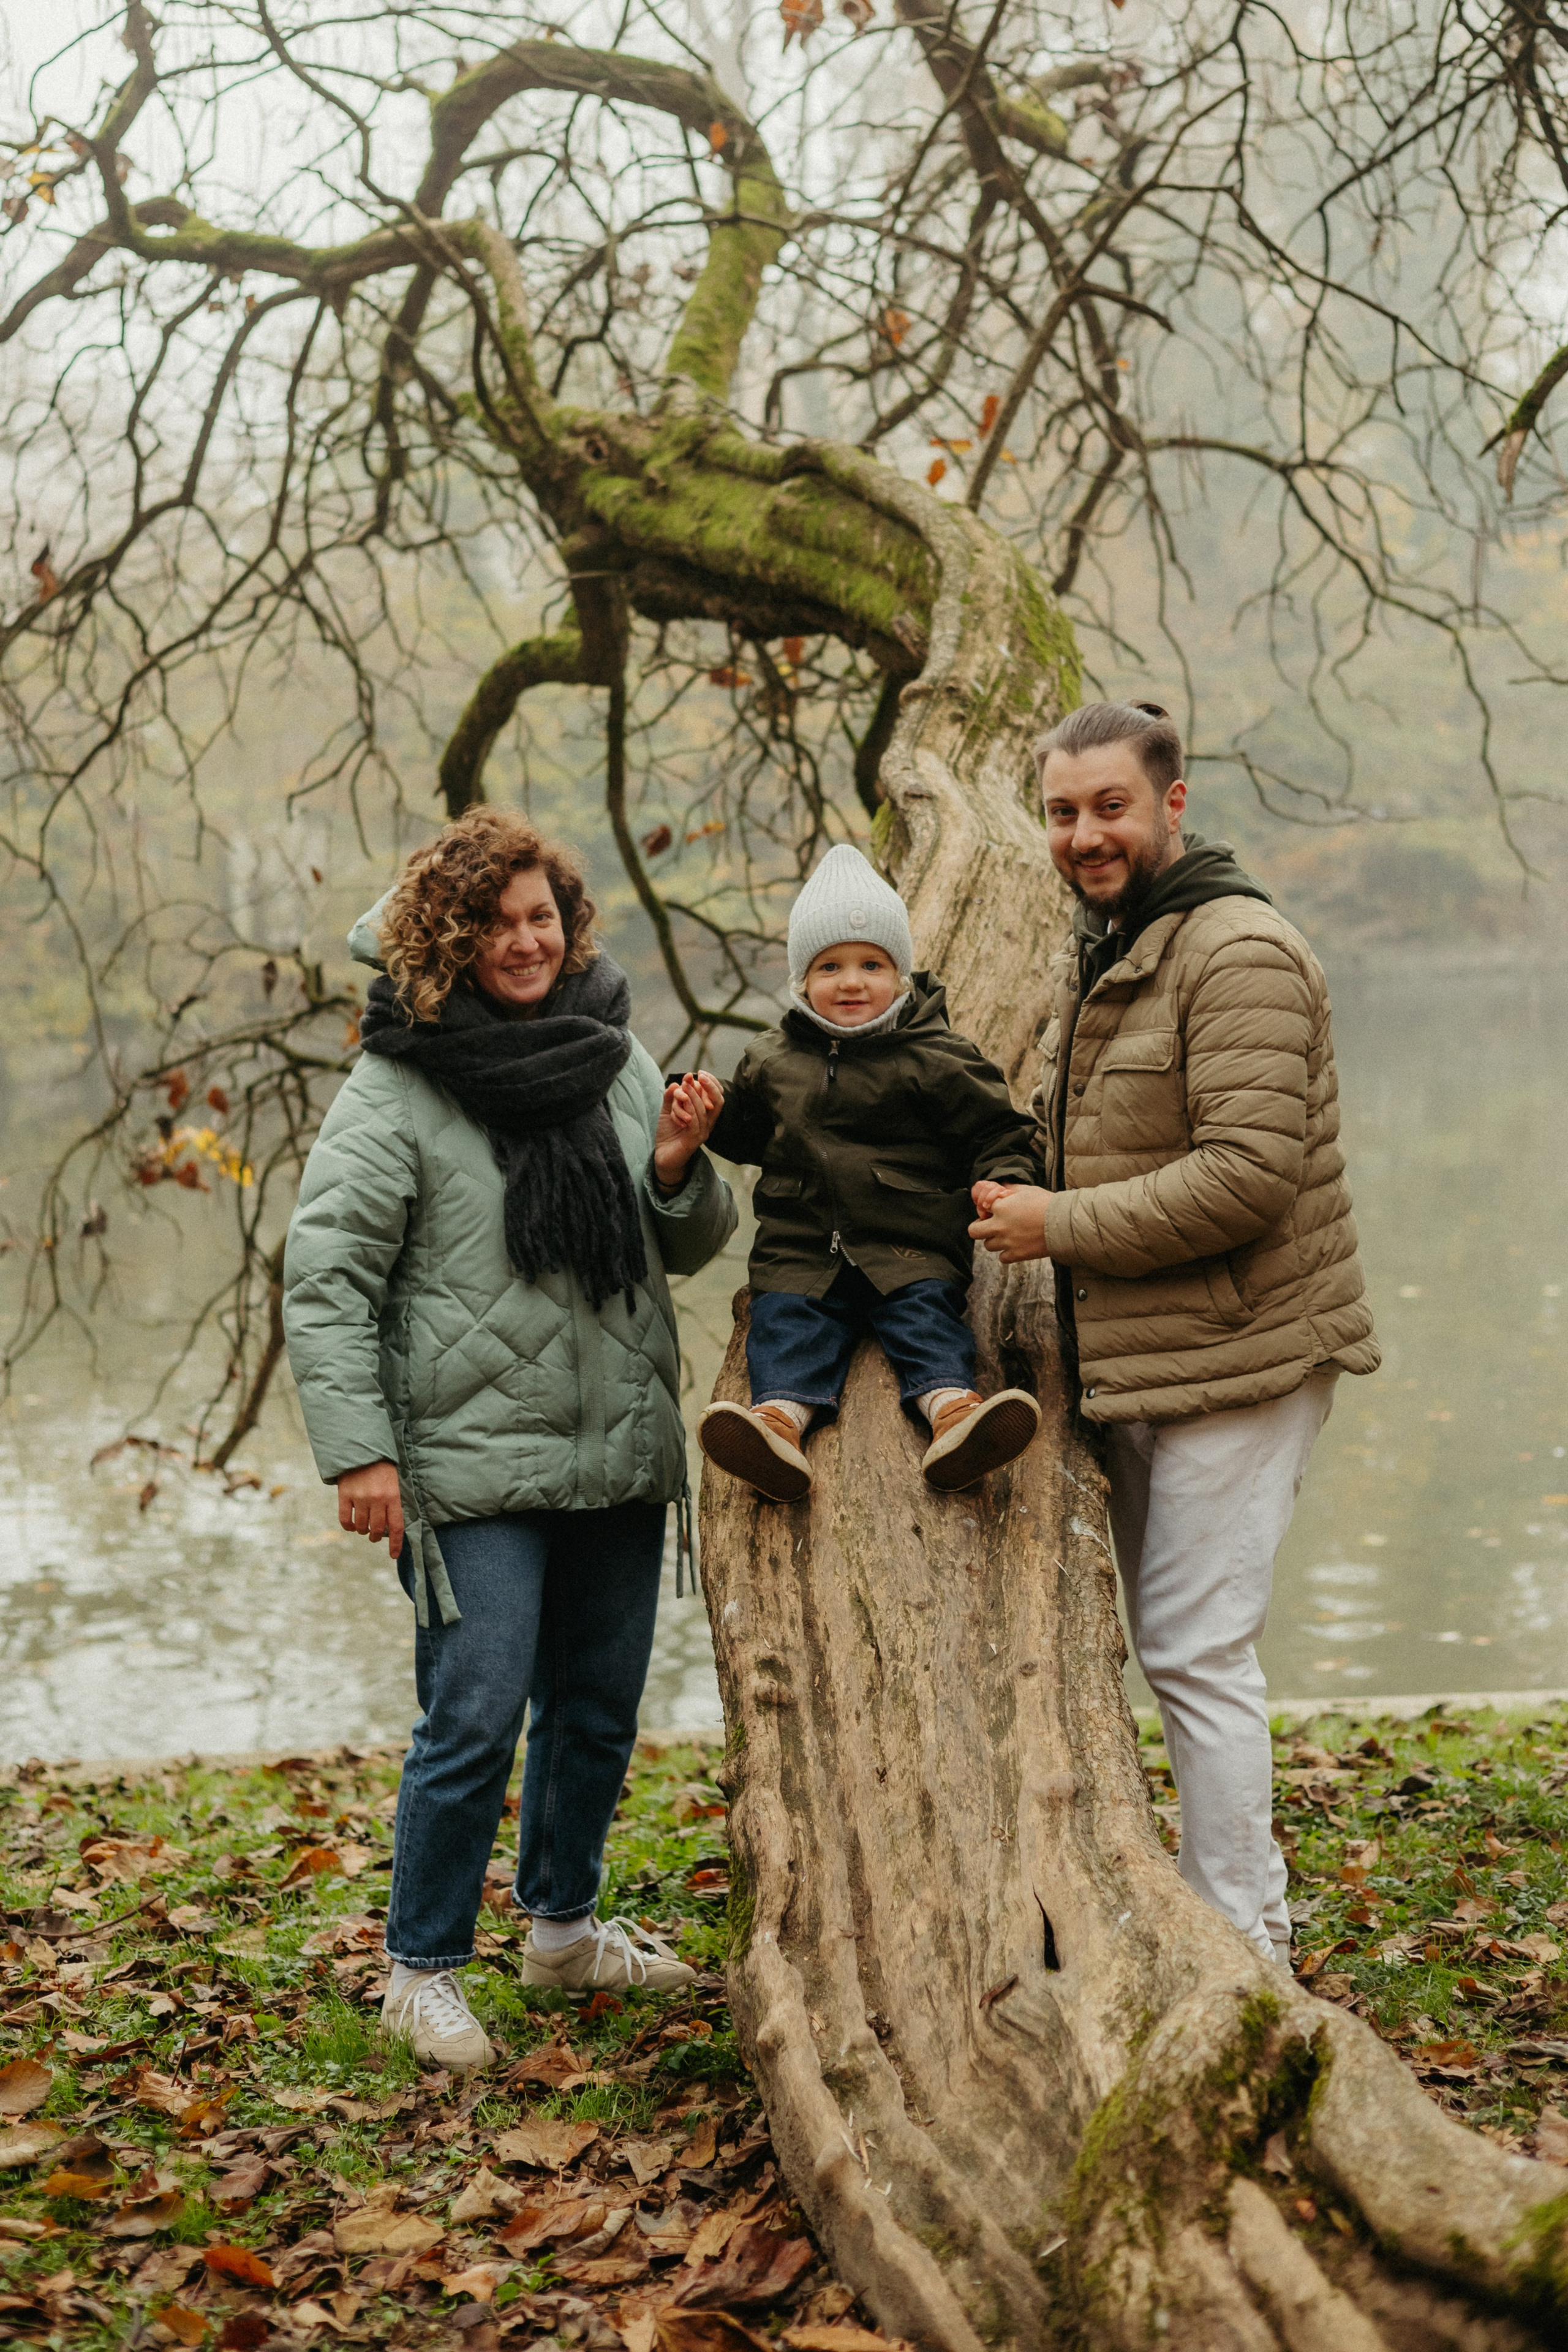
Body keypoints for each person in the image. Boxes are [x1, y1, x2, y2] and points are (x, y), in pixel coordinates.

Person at [282, 809, 736, 2070]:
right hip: (470, 1463)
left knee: (594, 1709)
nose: (526, 940)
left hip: (614, 1447)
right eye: (496, 922)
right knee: (473, 1717)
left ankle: (561, 1927)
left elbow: (686, 1244)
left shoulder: (614, 1052)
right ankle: (419, 1968)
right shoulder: (398, 1083)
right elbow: (324, 1276)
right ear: (449, 937)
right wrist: (359, 1453)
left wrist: (682, 1168)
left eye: (542, 916)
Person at [970, 700, 1379, 1969]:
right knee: (1171, 1652)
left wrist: (1058, 1224)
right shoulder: (1109, 947)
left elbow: (1247, 1176)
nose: (1084, 834)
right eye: (1060, 812)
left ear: (1170, 804)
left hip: (1240, 1363)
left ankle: (1238, 1943)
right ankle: (1230, 1913)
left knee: (1197, 1656)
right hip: (1148, 1360)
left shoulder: (1235, 952)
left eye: (1108, 807)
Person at [674, 844, 1041, 1505]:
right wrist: (714, 1115)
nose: (851, 982)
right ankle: (776, 1428)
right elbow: (761, 1135)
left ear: (899, 975)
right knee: (785, 1324)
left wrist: (1004, 1180)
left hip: (909, 1243)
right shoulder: (772, 1057)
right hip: (802, 1249)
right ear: (801, 979)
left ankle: (956, 1419)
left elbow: (1000, 1131)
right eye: (830, 967)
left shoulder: (936, 1056)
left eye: (871, 965)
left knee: (925, 1320)